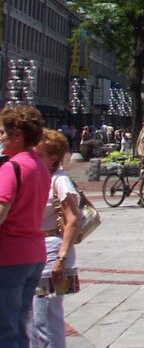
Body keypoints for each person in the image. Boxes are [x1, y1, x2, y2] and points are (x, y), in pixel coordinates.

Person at [0, 106, 50, 346]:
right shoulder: (40, 166)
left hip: (9, 254)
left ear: (17, 134)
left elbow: (1, 210)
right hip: (34, 252)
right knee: (20, 322)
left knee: (5, 328)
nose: (0, 137)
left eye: (2, 132)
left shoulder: (12, 168)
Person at [32, 129, 81, 348]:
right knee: (34, 318)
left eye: (38, 154)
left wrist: (60, 258)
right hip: (37, 249)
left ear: (52, 157)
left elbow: (73, 219)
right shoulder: (41, 178)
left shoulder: (60, 181)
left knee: (46, 317)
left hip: (53, 250)